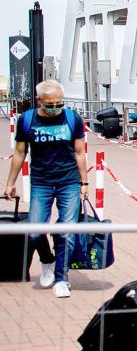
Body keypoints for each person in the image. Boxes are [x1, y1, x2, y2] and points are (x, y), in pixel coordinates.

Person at [3, 80, 87, 298]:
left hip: (68, 181)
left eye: (59, 103)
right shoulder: (27, 120)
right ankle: (47, 260)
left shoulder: (72, 119)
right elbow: (20, 152)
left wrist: (84, 183)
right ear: (39, 100)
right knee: (34, 231)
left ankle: (62, 278)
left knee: (67, 232)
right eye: (50, 104)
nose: (55, 108)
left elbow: (79, 152)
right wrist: (10, 182)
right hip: (41, 181)